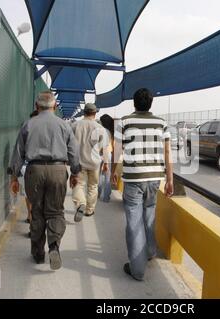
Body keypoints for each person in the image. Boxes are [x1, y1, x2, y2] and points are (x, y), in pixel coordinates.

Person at [8, 91, 81, 270]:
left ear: (36, 106)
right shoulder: (64, 126)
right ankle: (54, 246)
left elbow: (18, 153)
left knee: (37, 211)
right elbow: (74, 151)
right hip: (57, 169)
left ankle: (38, 253)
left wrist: (14, 177)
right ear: (55, 106)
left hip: (35, 170)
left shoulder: (28, 124)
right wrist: (75, 173)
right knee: (56, 211)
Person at [111, 88, 174, 281]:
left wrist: (114, 171)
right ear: (151, 103)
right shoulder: (161, 123)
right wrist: (170, 179)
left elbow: (118, 149)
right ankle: (149, 251)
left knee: (134, 222)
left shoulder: (125, 122)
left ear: (134, 103)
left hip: (133, 179)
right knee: (149, 214)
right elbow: (167, 152)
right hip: (155, 178)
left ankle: (137, 269)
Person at [71, 103, 109, 222]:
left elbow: (69, 145)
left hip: (79, 162)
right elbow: (105, 148)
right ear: (95, 113)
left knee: (78, 184)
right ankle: (89, 210)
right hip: (94, 162)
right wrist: (106, 163)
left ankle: (80, 203)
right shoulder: (100, 128)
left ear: (84, 112)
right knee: (92, 186)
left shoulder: (75, 125)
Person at [98, 114, 115, 202]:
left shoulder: (100, 130)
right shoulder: (111, 131)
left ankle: (97, 193)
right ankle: (106, 198)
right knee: (107, 177)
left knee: (99, 175)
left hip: (100, 154)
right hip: (108, 154)